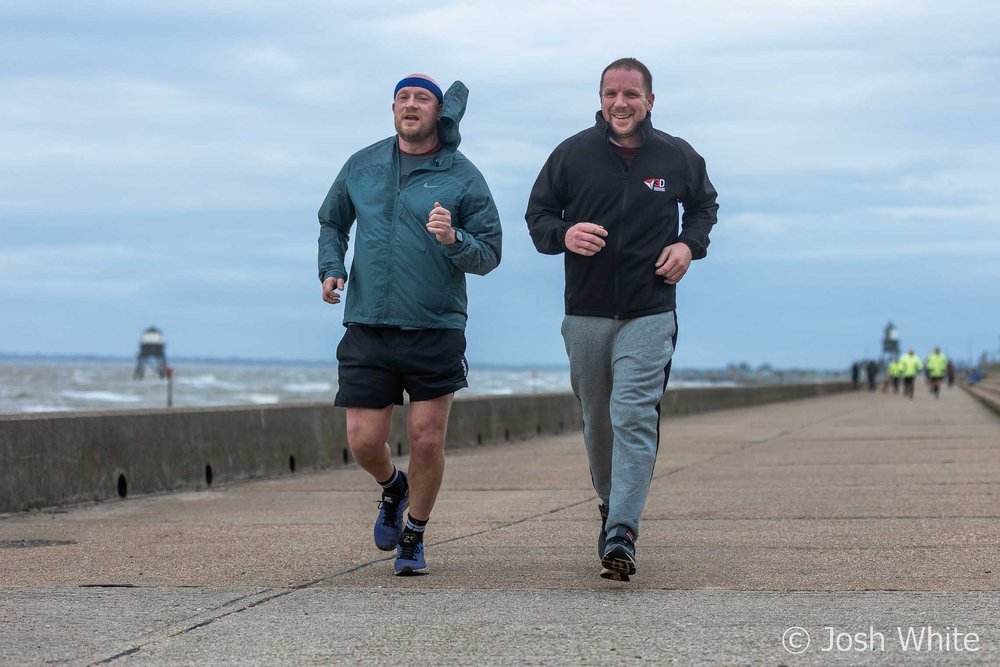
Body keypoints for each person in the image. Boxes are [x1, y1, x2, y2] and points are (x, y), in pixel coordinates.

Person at [525, 57, 718, 581]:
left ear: (649, 101)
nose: (620, 103)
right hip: (585, 312)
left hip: (650, 309)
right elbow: (537, 217)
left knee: (633, 414)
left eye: (631, 94)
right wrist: (563, 234)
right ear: (601, 98)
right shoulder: (571, 155)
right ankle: (612, 505)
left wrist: (688, 245)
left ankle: (623, 532)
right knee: (598, 421)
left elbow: (705, 207)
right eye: (611, 93)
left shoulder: (677, 156)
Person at [317, 74, 502, 575]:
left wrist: (452, 238)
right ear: (392, 109)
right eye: (403, 98)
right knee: (362, 439)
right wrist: (331, 265)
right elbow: (332, 220)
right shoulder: (363, 164)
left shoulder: (462, 176)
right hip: (367, 324)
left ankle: (415, 534)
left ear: (438, 112)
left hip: (435, 325)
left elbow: (490, 253)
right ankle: (392, 487)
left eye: (422, 98)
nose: (411, 105)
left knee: (425, 438)